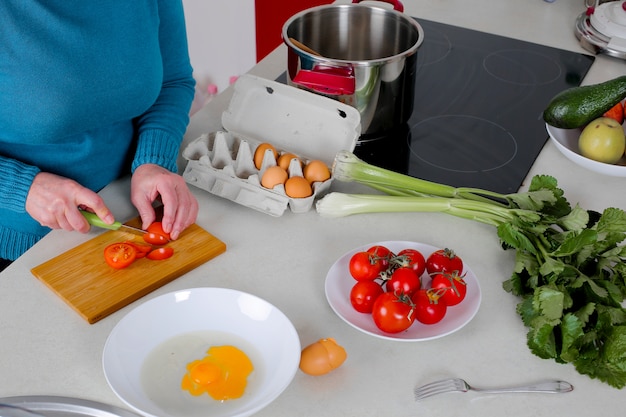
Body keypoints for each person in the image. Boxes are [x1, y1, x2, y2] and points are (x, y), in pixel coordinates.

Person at [0, 1, 199, 266]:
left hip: (127, 210)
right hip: (20, 247)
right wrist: (23, 188)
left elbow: (172, 80)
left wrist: (153, 160)